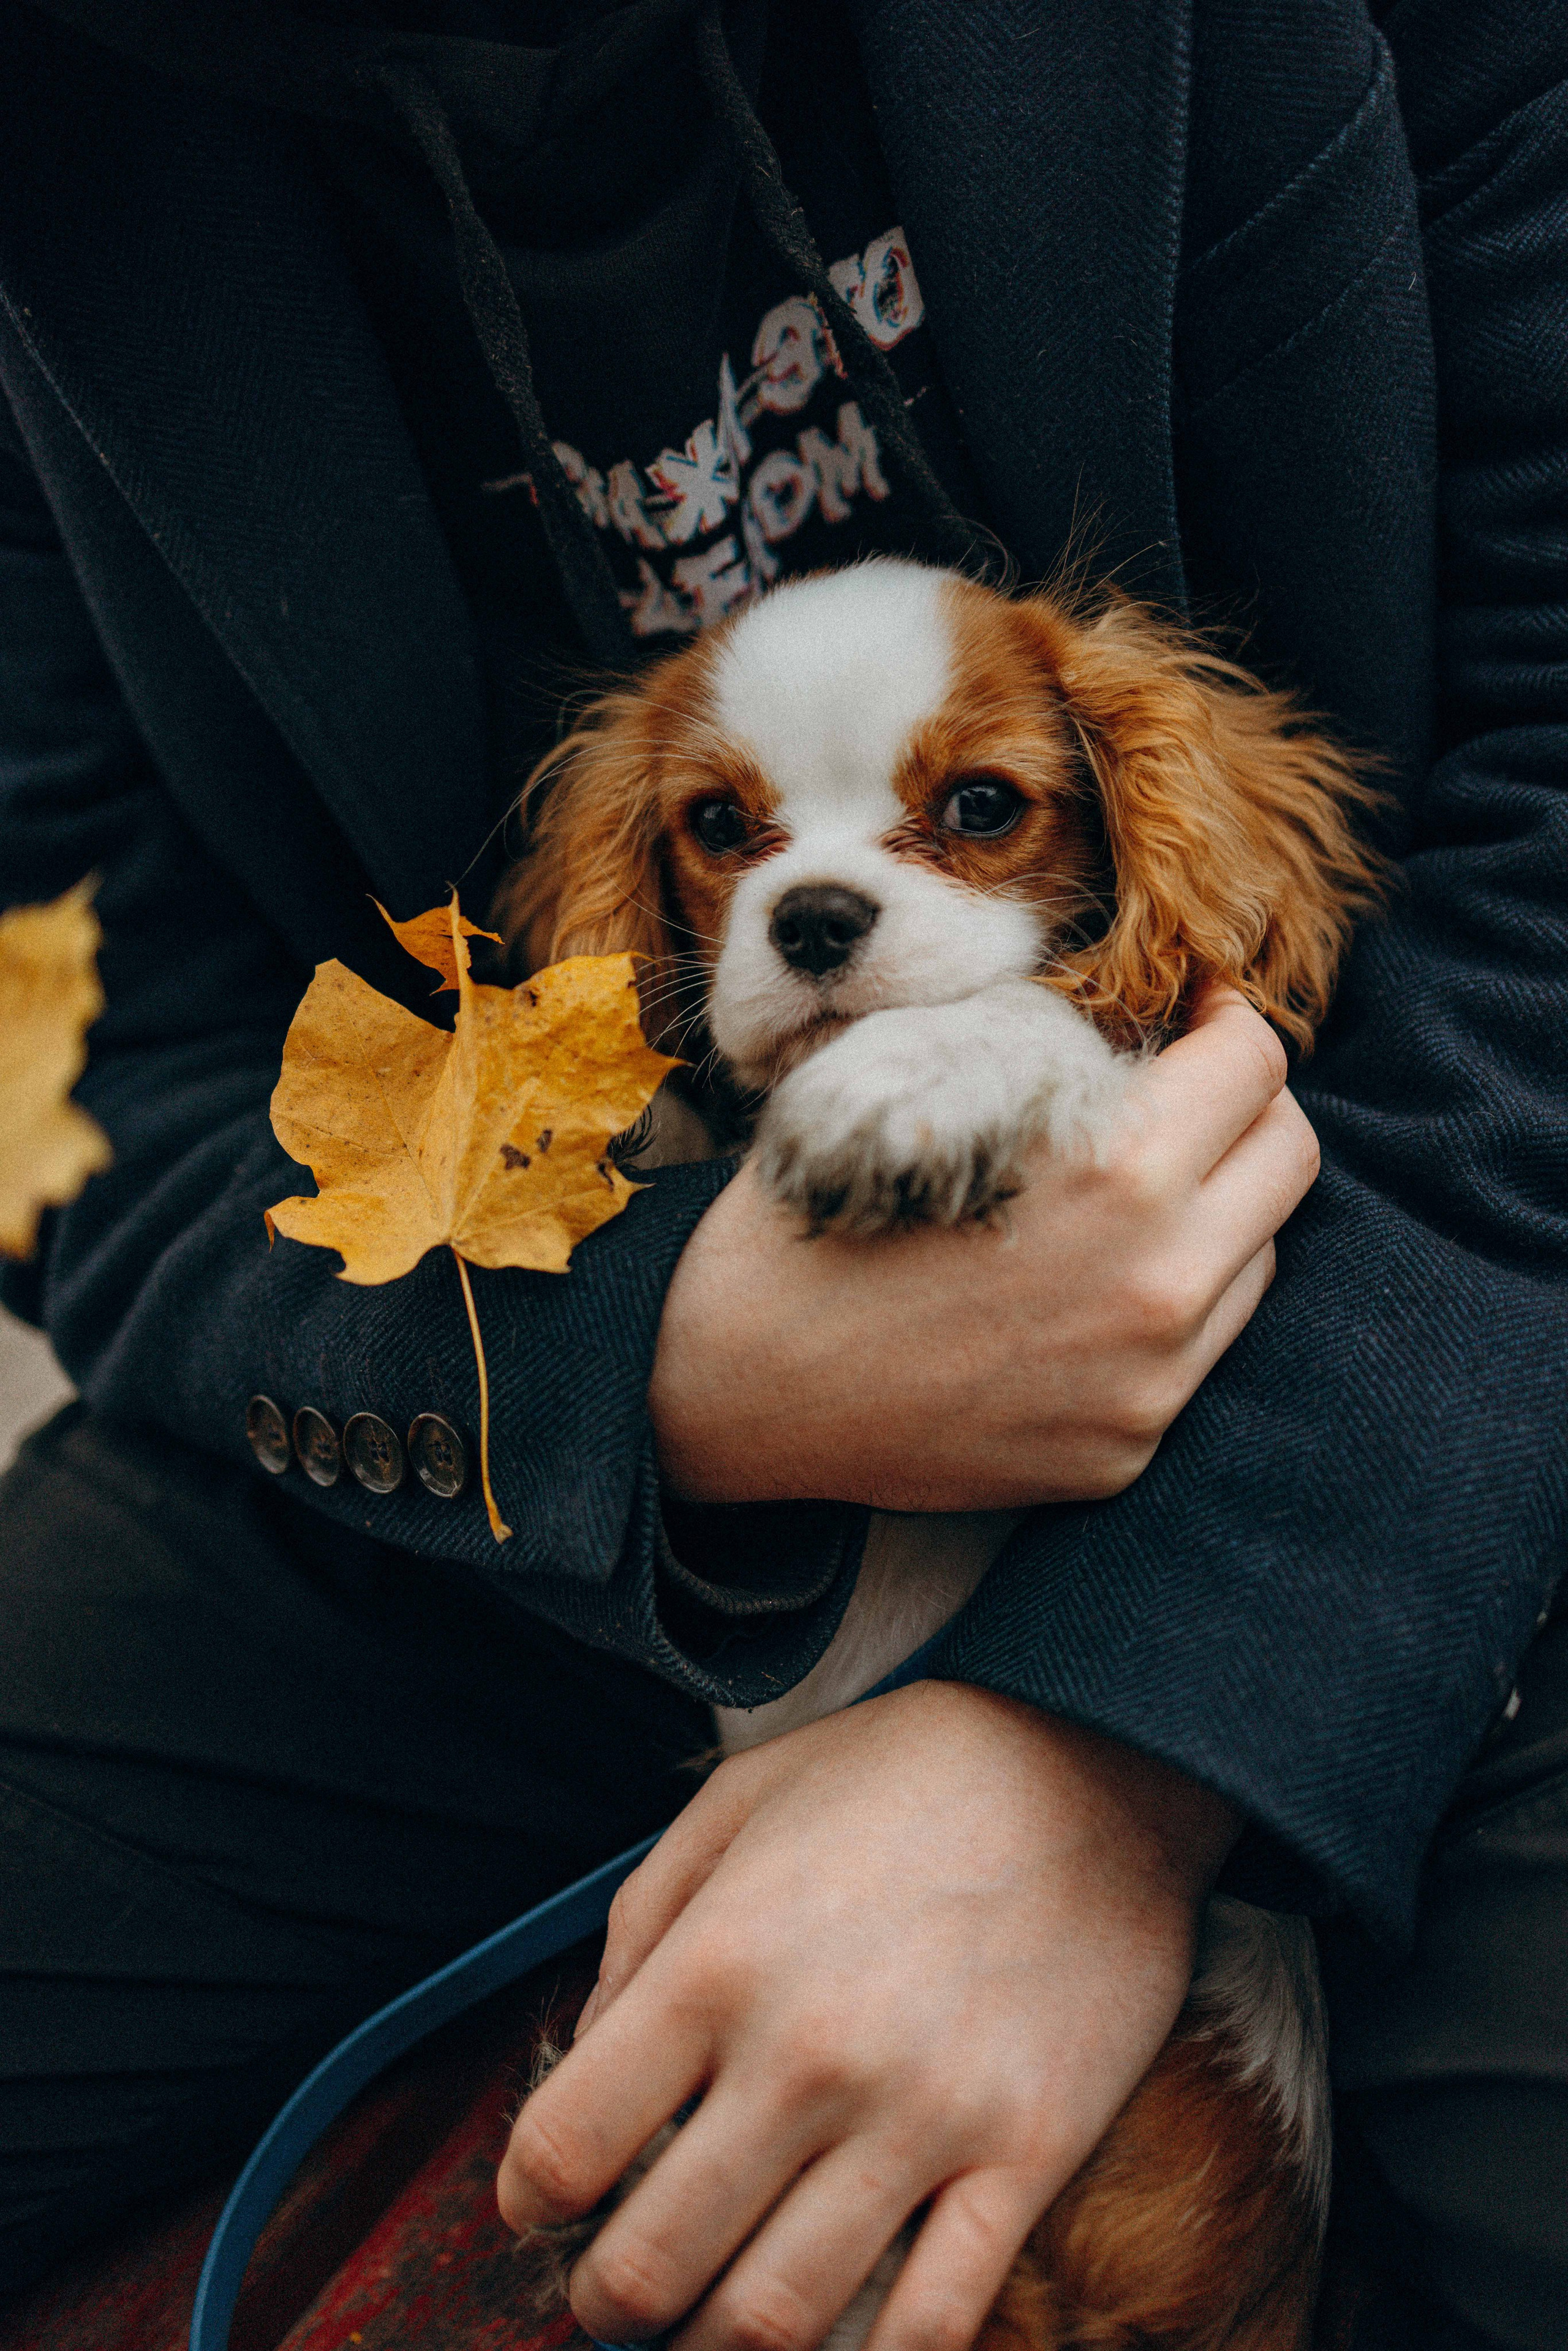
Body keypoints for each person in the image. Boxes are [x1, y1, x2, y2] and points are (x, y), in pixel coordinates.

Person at [0, 2, 1563, 2345]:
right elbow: (80, 1045)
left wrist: (1125, 1742)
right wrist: (654, 1372)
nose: (811, 894)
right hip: (497, 1396)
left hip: (1422, 1302)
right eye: (731, 842)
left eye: (969, 807)